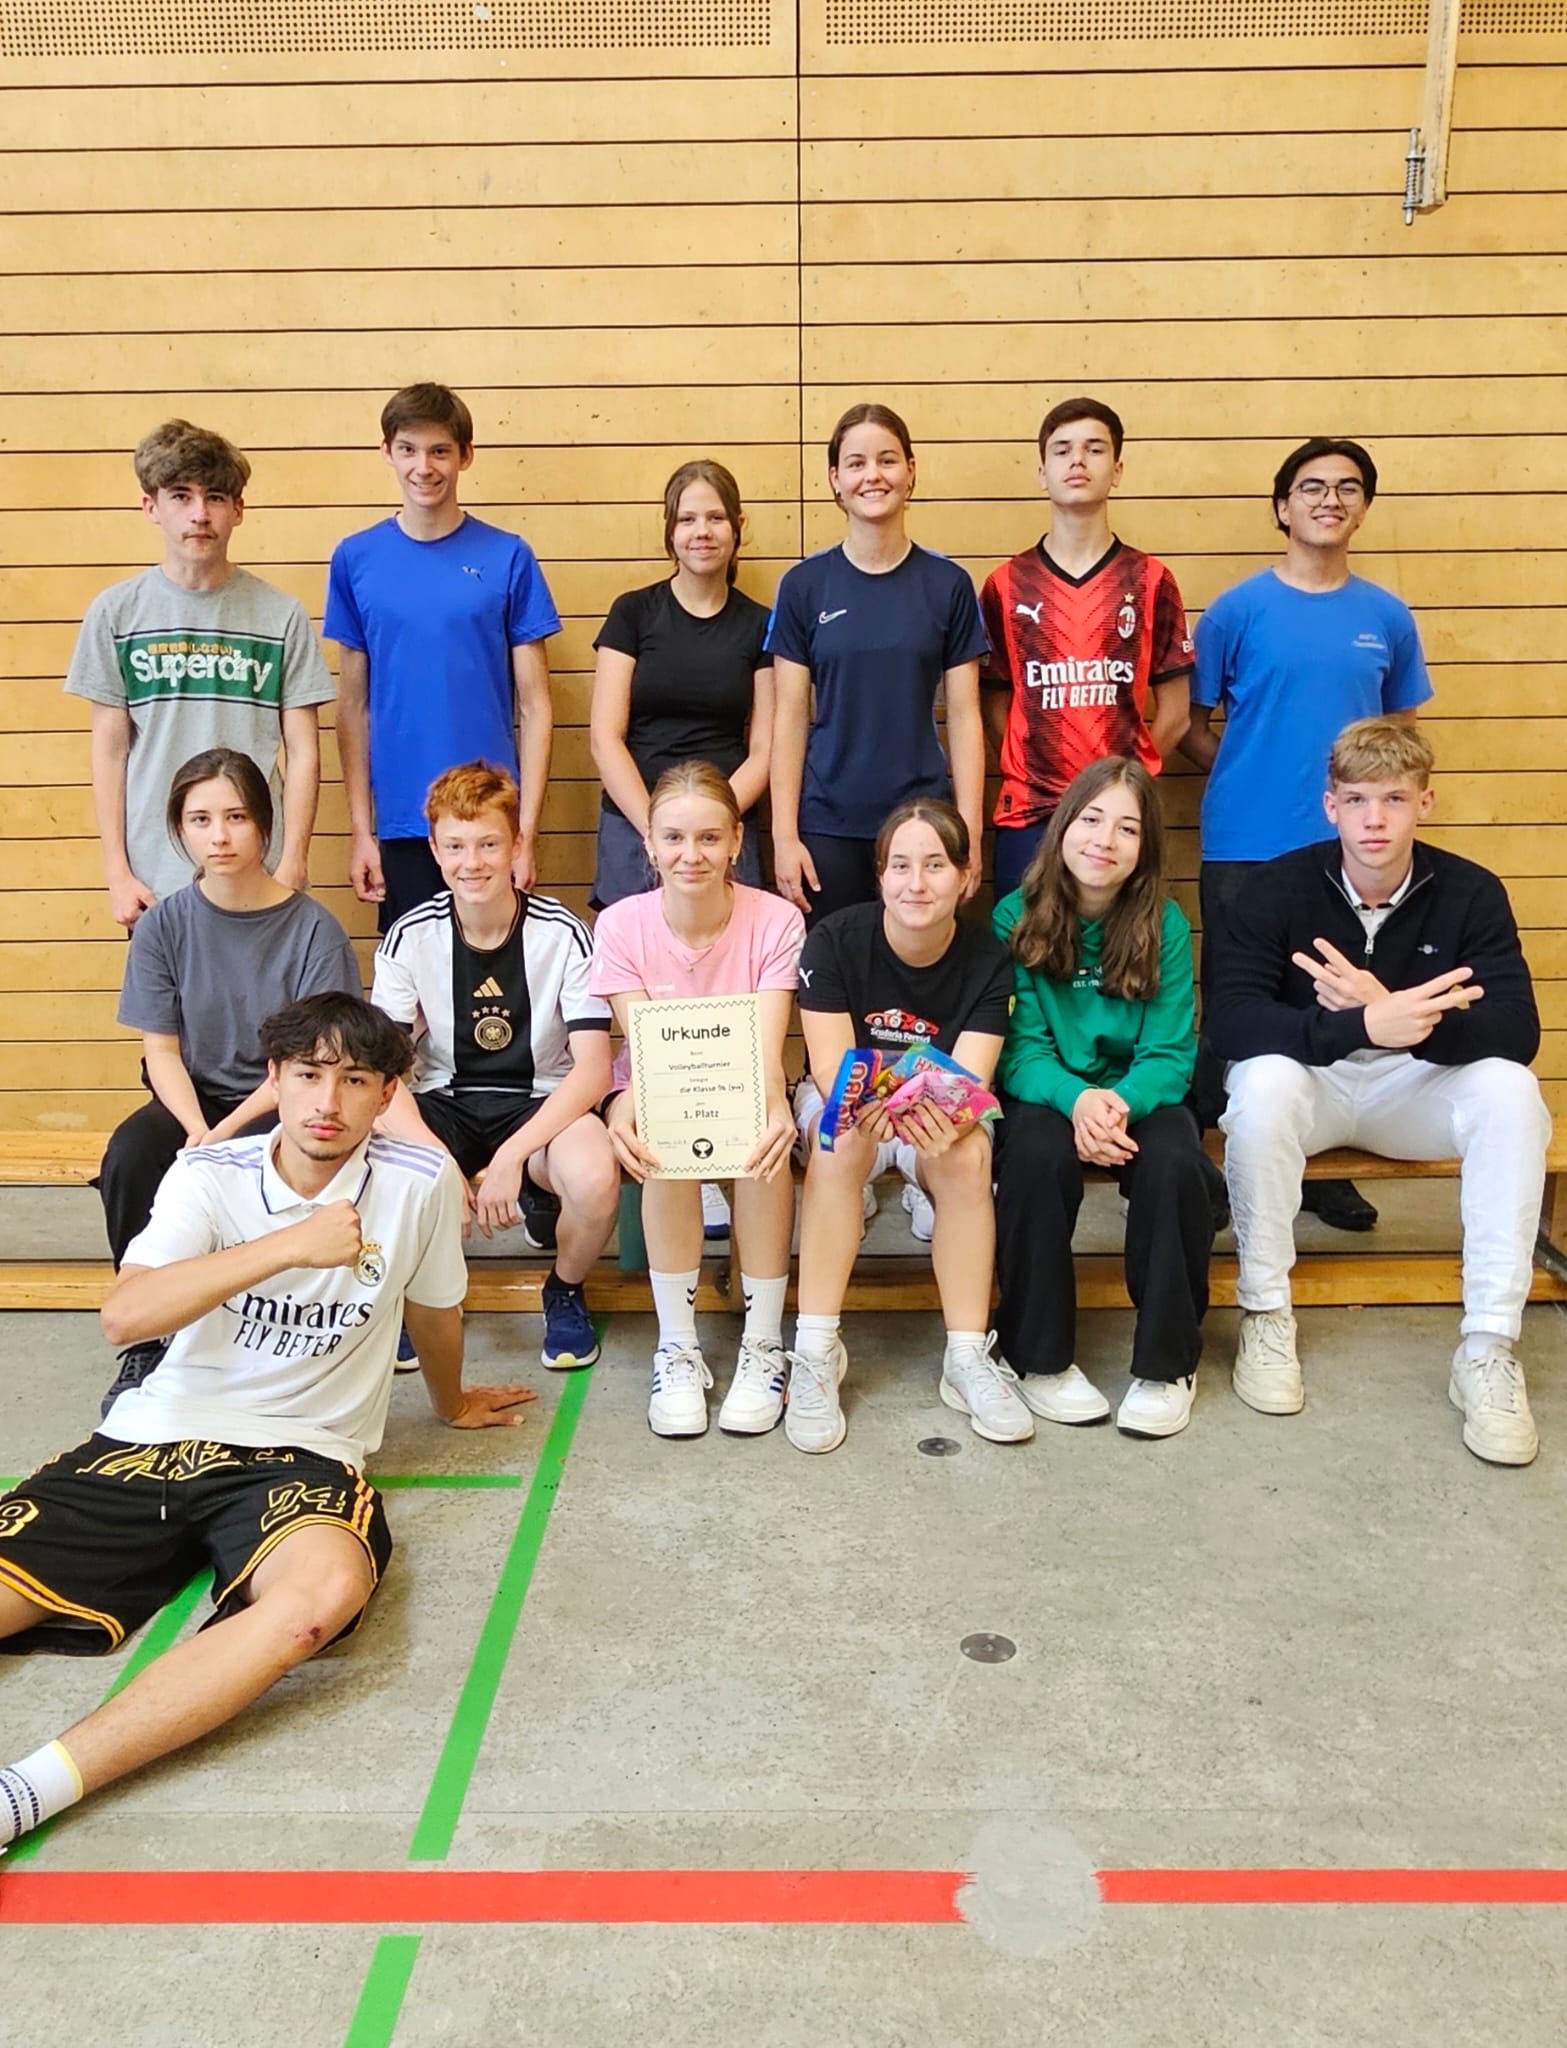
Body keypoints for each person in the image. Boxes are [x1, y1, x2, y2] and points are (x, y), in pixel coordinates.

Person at [0, 993, 532, 1855]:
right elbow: (126, 1316)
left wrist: (451, 1402)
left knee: (314, 1605)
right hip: (152, 1439)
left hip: (302, 1457)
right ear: (274, 1079)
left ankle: (25, 1793)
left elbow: (435, 1308)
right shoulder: (209, 1173)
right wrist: (288, 1245)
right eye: (309, 1075)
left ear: (387, 1093)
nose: (328, 1102)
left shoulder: (418, 1180)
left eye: (354, 1081)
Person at [1212, 719, 1552, 1466]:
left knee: (1510, 1091)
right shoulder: (1276, 887)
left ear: (1424, 803)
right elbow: (1233, 1024)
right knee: (1260, 1082)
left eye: (1394, 799)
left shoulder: (1470, 891)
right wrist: (1362, 1022)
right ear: (1329, 806)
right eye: (1358, 800)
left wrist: (1407, 1027)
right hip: (1315, 1083)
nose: (1375, 819)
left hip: (1413, 1087)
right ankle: (1266, 1314)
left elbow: (1515, 1029)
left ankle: (1488, 1346)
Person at [1182, 435, 1433, 1234]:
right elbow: (1187, 724)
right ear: (1281, 507)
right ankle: (1210, 1167)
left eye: (1347, 487)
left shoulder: (1385, 617)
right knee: (1235, 1001)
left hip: (1351, 854)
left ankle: (1323, 1167)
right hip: (1243, 842)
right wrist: (1247, 769)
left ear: (1363, 508)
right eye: (1312, 487)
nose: (1329, 499)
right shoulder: (1235, 611)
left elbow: (1399, 736)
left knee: (1336, 997)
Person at [97, 749, 362, 1412]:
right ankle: (149, 1338)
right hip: (191, 1099)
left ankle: (263, 1334)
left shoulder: (314, 930)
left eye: (237, 817)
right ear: (179, 829)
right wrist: (196, 1130)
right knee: (131, 1153)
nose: (219, 836)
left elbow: (311, 1063)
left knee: (277, 1157)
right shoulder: (162, 926)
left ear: (265, 825)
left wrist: (224, 1135)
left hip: (288, 1100)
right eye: (201, 819)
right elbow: (161, 1051)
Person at [788, 800, 1025, 1453]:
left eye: (934, 866)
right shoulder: (833, 940)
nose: (915, 883)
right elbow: (832, 1070)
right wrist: (870, 1104)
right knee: (839, 1142)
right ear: (880, 875)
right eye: (899, 866)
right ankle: (815, 1351)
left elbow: (970, 1079)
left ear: (966, 877)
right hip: (853, 1108)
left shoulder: (988, 958)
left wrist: (943, 1122)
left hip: (929, 1118)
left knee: (968, 1156)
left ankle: (966, 1356)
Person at [992, 758, 1214, 1440]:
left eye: (1127, 828)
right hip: (1049, 1091)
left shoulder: (1163, 924)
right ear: (1063, 826)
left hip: (1135, 1096)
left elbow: (1169, 1053)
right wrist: (1078, 1100)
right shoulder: (1013, 916)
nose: (1104, 840)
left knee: (1175, 1160)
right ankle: (1037, 1358)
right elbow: (1018, 1050)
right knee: (1033, 1157)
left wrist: (1114, 1105)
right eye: (1091, 819)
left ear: (1145, 847)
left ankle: (1167, 1364)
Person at [371, 762, 618, 1372]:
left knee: (594, 1175)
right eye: (455, 846)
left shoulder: (566, 934)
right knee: (377, 1159)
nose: (472, 862)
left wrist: (511, 1157)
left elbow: (592, 1071)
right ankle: (420, 1295)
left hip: (541, 1101)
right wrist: (438, 1163)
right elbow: (380, 1078)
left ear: (516, 844)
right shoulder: (409, 935)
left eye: (488, 844)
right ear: (434, 850)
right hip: (445, 1099)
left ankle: (564, 1287)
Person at [590, 762, 802, 1438]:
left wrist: (775, 1107)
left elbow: (765, 1048)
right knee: (664, 1134)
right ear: (648, 845)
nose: (691, 855)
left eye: (709, 838)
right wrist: (625, 1106)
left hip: (747, 1080)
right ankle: (677, 1347)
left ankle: (764, 1346)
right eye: (674, 838)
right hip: (653, 1086)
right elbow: (642, 1051)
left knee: (764, 1139)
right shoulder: (619, 925)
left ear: (737, 841)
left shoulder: (776, 920)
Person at [64, 419, 334, 930]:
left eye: (215, 497)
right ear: (151, 507)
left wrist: (294, 860)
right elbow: (110, 751)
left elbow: (303, 750)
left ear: (238, 510)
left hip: (260, 873)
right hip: (156, 879)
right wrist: (117, 873)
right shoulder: (117, 614)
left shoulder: (280, 616)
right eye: (181, 496)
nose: (200, 514)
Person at [324, 383, 560, 930]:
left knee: (495, 972)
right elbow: (352, 708)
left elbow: (536, 707)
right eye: (408, 449)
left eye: (439, 451)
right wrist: (362, 832)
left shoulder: (509, 556)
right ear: (387, 452)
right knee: (413, 979)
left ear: (465, 456)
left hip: (491, 820)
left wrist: (525, 831)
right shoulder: (355, 559)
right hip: (404, 823)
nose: (423, 467)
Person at [766, 403, 987, 925]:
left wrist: (971, 832)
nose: (873, 475)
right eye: (856, 463)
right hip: (828, 824)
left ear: (911, 471)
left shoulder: (949, 584)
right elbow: (789, 717)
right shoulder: (803, 586)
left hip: (924, 821)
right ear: (835, 479)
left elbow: (964, 715)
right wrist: (784, 835)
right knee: (835, 965)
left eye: (887, 460)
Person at [979, 397, 1194, 900]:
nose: (1077, 461)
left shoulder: (1151, 580)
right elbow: (993, 703)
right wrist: (1034, 768)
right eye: (1062, 450)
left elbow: (1178, 714)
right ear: (1042, 473)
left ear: (1117, 470)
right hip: (1031, 813)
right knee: (1026, 943)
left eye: (1094, 449)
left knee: (1122, 946)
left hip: (1119, 817)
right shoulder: (1005, 584)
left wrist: (1123, 784)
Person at [589, 458, 774, 907]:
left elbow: (766, 750)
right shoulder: (632, 613)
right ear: (670, 531)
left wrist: (711, 826)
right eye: (687, 519)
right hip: (635, 823)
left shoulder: (761, 624)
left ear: (737, 527)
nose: (702, 531)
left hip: (725, 829)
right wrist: (658, 830)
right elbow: (605, 738)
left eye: (716, 518)